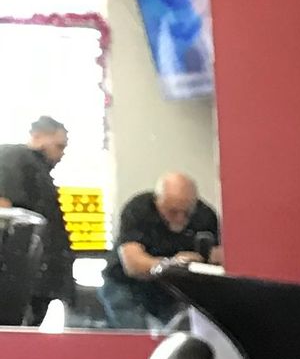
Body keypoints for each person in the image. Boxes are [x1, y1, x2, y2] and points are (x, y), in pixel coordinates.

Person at [101, 171, 222, 327]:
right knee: (135, 335)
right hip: (126, 285)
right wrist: (173, 265)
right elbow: (133, 265)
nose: (180, 218)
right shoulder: (139, 210)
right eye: (172, 211)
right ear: (157, 202)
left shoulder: (205, 216)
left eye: (187, 212)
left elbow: (220, 260)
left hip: (169, 291)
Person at [0, 115, 74, 322]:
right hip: (24, 273)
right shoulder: (14, 157)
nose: (62, 154)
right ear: (38, 136)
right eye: (59, 146)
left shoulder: (39, 170)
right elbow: (3, 208)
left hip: (39, 273)